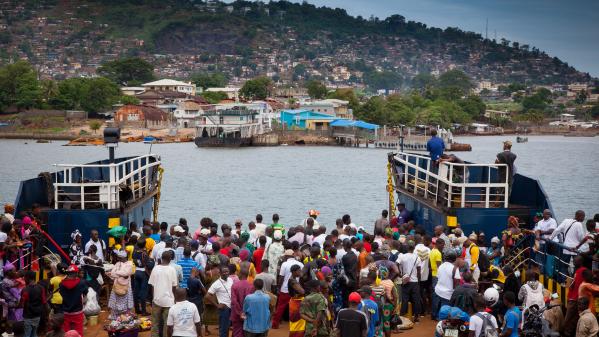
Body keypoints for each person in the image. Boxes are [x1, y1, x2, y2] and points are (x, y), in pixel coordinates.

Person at [149, 251, 179, 337]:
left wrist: (153, 298)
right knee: (167, 323)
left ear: (161, 258)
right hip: (169, 300)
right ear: (170, 259)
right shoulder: (172, 270)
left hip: (157, 299)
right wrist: (175, 299)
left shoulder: (155, 268)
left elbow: (152, 285)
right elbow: (174, 287)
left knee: (155, 322)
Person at [273, 250, 304, 328]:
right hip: (296, 290)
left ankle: (275, 324)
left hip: (285, 289)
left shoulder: (284, 264)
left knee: (280, 308)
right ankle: (296, 326)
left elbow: (281, 277)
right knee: (296, 309)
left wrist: (279, 288)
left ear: (286, 256)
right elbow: (302, 277)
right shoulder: (300, 264)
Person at [59, 265, 88, 336]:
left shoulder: (61, 284)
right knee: (78, 332)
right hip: (77, 311)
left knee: (66, 332)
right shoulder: (81, 283)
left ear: (67, 273)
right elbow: (85, 295)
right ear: (76, 273)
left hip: (66, 312)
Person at [206, 265, 234, 337]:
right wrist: (217, 305)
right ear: (220, 273)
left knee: (229, 327)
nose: (226, 273)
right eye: (224, 272)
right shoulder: (216, 284)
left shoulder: (230, 280)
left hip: (232, 307)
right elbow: (208, 296)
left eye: (227, 271)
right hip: (224, 309)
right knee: (223, 329)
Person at [398, 241, 422, 322]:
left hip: (405, 280)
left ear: (407, 247)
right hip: (414, 281)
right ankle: (416, 317)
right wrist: (418, 282)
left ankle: (402, 316)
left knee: (405, 299)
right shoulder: (417, 257)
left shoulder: (402, 256)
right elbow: (419, 271)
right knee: (416, 299)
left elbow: (396, 263)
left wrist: (400, 274)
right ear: (414, 248)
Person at [107, 250, 135, 318]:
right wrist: (117, 274)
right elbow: (114, 273)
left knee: (125, 303)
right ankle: (116, 316)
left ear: (124, 257)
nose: (118, 259)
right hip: (116, 285)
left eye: (119, 258)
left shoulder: (130, 264)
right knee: (116, 302)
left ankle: (124, 317)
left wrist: (115, 273)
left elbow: (126, 273)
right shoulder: (117, 263)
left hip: (126, 287)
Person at [434, 251, 461, 318]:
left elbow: (438, 277)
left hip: (438, 291)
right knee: (445, 312)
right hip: (447, 294)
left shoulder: (440, 266)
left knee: (438, 307)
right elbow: (457, 283)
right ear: (454, 259)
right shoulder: (454, 268)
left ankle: (436, 316)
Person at [20, 270, 46, 337]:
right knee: (34, 333)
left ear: (28, 278)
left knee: (27, 334)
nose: (24, 279)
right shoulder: (41, 288)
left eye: (25, 277)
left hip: (28, 316)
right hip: (37, 315)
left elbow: (22, 304)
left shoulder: (25, 289)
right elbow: (44, 301)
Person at [231, 265, 254, 337]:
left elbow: (234, 301)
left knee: (237, 332)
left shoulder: (235, 285)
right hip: (248, 314)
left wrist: (240, 313)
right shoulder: (252, 286)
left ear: (241, 274)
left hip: (237, 314)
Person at [132, 239, 150, 315]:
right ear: (144, 245)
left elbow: (134, 260)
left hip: (136, 272)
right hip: (143, 273)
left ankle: (137, 309)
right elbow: (146, 265)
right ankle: (143, 311)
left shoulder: (135, 252)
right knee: (143, 292)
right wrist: (149, 274)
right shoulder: (144, 253)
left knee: (136, 291)